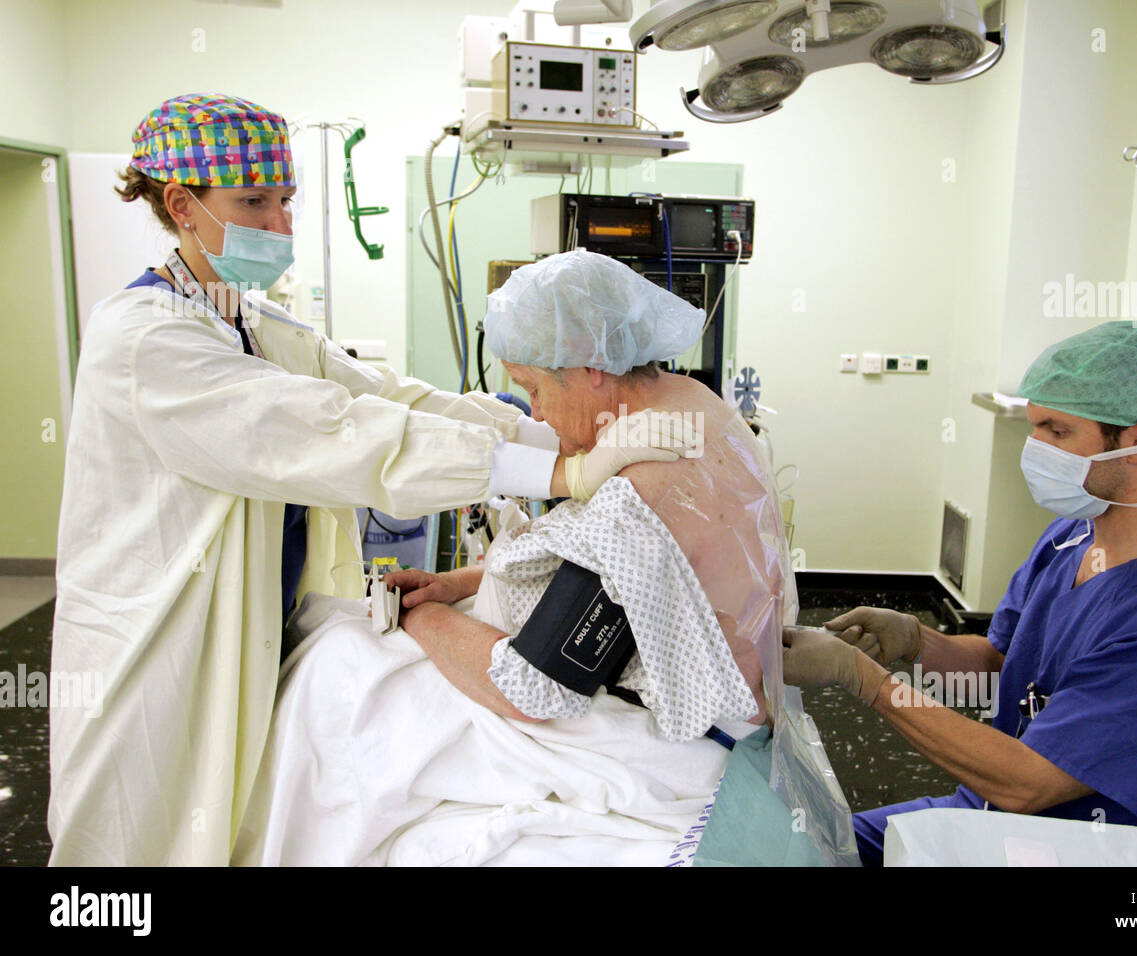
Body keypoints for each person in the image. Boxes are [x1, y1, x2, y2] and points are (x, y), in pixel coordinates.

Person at [48, 96, 688, 866]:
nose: (280, 225)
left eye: (285, 200)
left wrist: (558, 431)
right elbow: (330, 432)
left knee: (231, 817)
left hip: (264, 624)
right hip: (161, 644)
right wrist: (559, 470)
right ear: (182, 206)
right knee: (139, 839)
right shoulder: (145, 342)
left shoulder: (252, 323)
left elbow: (390, 398)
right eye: (254, 202)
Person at [233, 251, 795, 865]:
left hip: (681, 736)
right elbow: (617, 582)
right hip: (721, 694)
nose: (542, 417)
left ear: (591, 366)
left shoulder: (643, 483)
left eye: (533, 390)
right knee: (339, 643)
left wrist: (419, 619)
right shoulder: (696, 405)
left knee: (340, 671)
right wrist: (459, 584)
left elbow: (533, 688)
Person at [783, 320, 1137, 865]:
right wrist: (914, 642)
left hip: (1096, 853)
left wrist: (860, 677)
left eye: (1057, 432)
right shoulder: (1072, 538)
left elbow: (1029, 783)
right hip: (992, 818)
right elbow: (1000, 665)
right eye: (1034, 426)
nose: (1034, 448)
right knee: (802, 846)